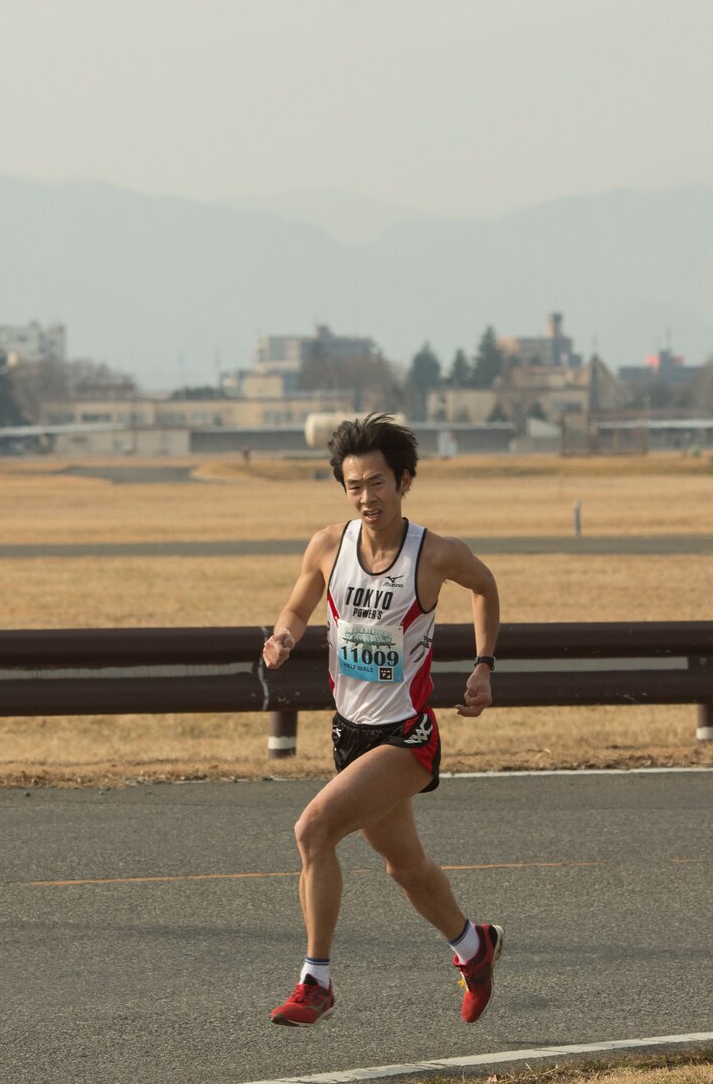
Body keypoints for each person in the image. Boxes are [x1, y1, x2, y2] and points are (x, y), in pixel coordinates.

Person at [260, 412, 503, 1027]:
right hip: (350, 733)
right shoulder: (327, 546)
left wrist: (483, 666)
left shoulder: (434, 553)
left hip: (406, 737)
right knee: (406, 867)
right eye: (354, 486)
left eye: (378, 483)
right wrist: (284, 637)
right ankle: (475, 946)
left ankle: (316, 981)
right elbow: (297, 605)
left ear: (405, 481)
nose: (367, 498)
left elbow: (485, 586)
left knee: (313, 830)